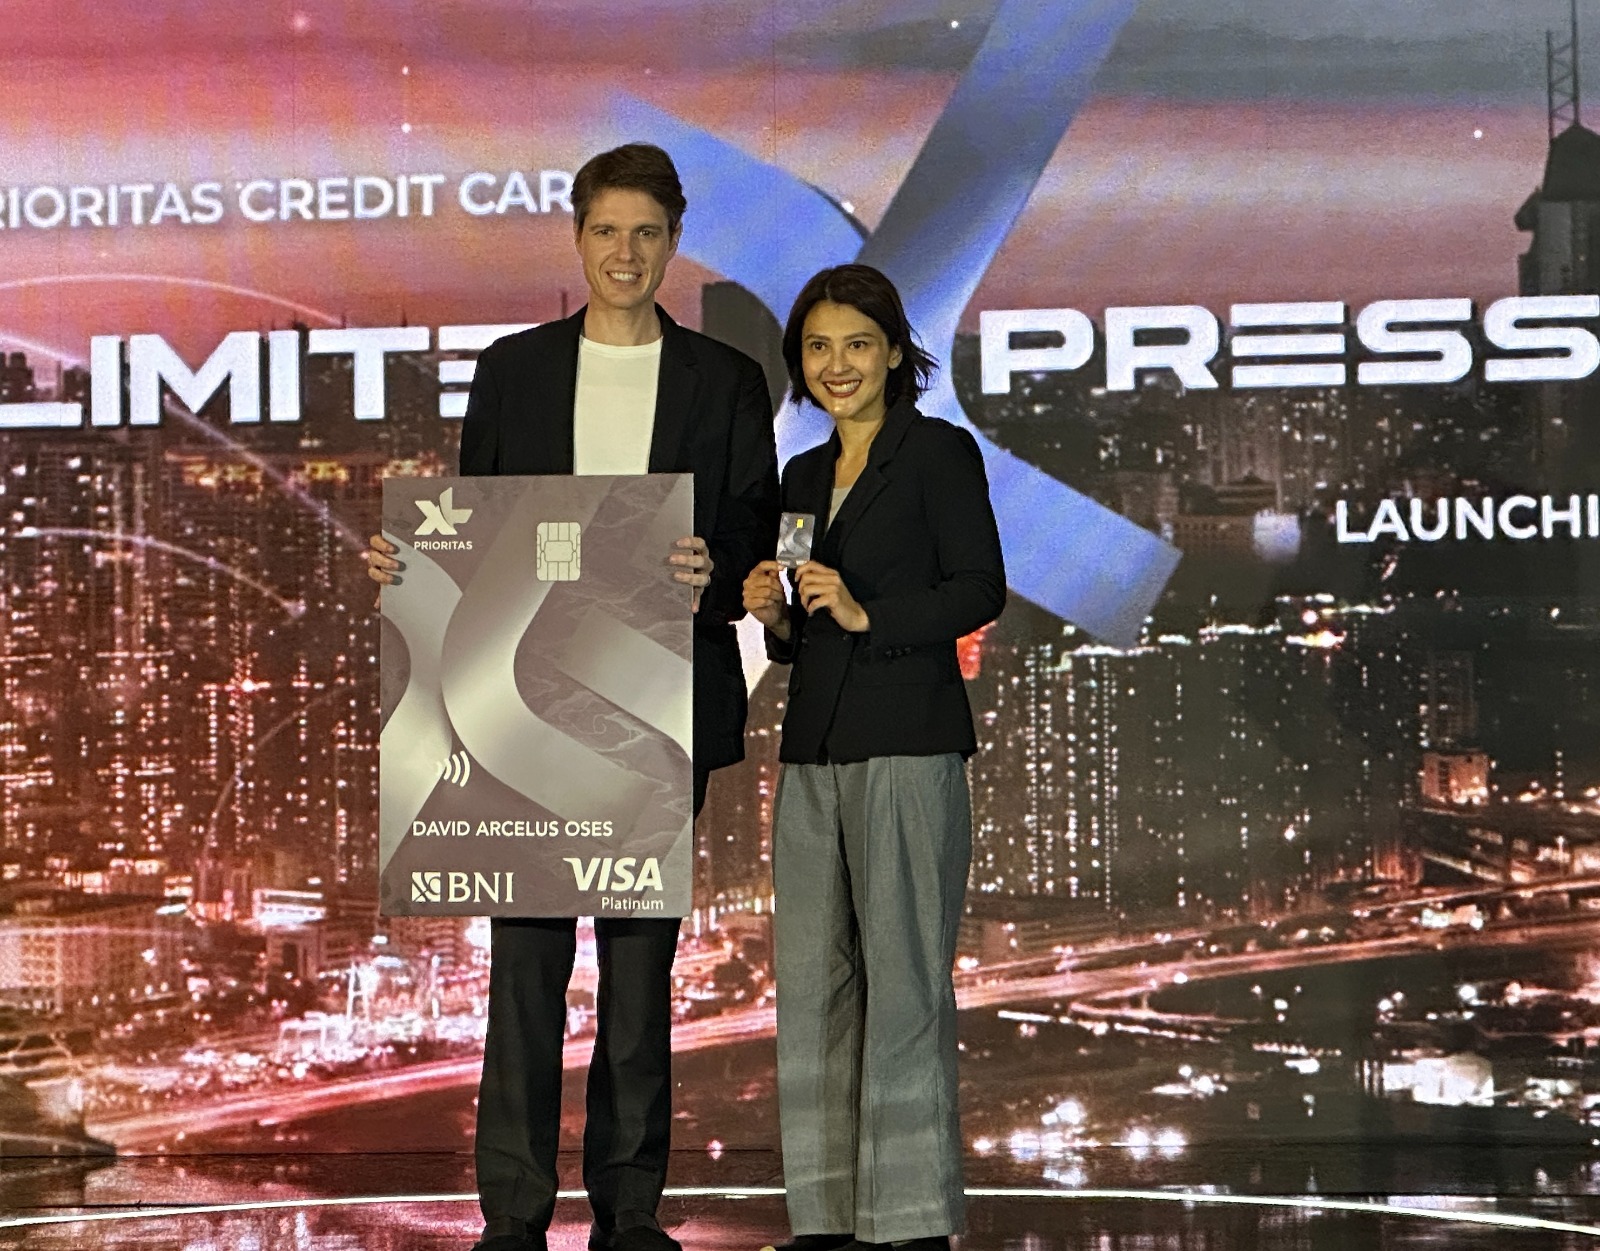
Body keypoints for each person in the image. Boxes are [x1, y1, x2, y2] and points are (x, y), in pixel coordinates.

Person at [367, 143, 779, 1251]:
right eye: (606, 231)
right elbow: (475, 526)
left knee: (640, 973)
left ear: (673, 242)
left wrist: (711, 563)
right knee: (525, 970)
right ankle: (513, 1209)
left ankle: (629, 1208)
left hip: (657, 697)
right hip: (520, 704)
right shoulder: (514, 370)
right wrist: (413, 569)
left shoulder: (725, 380)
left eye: (646, 233)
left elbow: (750, 525)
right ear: (577, 237)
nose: (625, 253)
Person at [742, 265, 1005, 1251]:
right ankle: (824, 1218)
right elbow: (800, 628)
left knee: (903, 986)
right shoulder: (801, 478)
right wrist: (776, 616)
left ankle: (907, 1219)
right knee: (811, 988)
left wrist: (868, 614)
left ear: (895, 351)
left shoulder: (937, 453)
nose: (837, 364)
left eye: (857, 343)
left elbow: (979, 587)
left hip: (907, 740)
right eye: (817, 348)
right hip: (812, 746)